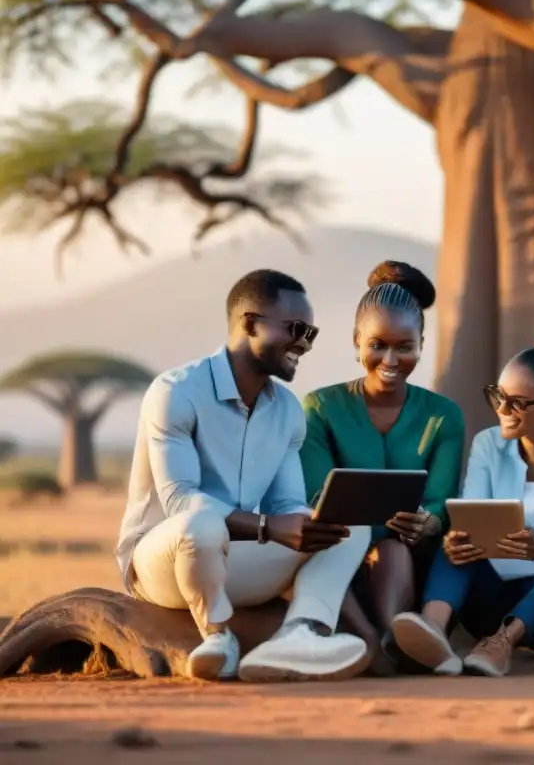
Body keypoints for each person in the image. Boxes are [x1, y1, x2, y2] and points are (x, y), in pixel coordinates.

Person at [115, 269, 371, 682]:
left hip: (238, 558)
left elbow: (285, 505)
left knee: (351, 525)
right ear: (250, 323)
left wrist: (304, 522)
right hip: (162, 565)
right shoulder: (176, 392)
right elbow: (180, 500)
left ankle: (299, 633)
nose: (303, 344)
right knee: (199, 523)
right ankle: (218, 639)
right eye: (296, 329)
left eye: (312, 333)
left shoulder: (287, 410)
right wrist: (269, 527)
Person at [390, 334, 534, 677]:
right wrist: (458, 538)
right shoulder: (488, 444)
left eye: (518, 403)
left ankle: (501, 644)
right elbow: (471, 510)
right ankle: (433, 632)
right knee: (458, 541)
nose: (502, 411)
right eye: (498, 396)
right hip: (492, 598)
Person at [299, 261, 465, 675]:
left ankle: (394, 639)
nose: (391, 359)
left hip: (416, 561)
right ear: (357, 341)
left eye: (404, 347)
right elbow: (316, 498)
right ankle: (395, 642)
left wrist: (428, 522)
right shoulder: (320, 408)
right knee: (382, 546)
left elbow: (442, 502)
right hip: (340, 554)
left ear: (421, 344)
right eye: (378, 345)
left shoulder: (443, 415)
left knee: (394, 549)